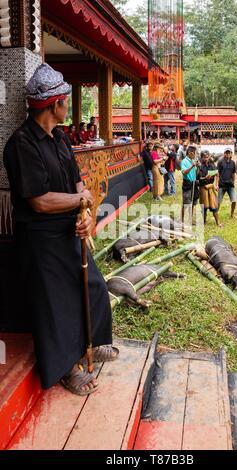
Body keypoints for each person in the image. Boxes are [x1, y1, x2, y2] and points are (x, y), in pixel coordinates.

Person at [3, 63, 118, 396]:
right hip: (40, 238)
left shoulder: (60, 139)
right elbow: (39, 201)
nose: (68, 106)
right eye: (66, 101)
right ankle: (67, 367)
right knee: (57, 303)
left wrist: (86, 215)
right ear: (54, 105)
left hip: (69, 230)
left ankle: (93, 343)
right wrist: (79, 200)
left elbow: (79, 184)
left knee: (94, 286)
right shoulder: (22, 144)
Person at [198, 151, 221, 226]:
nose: (206, 159)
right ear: (202, 158)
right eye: (204, 157)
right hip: (203, 187)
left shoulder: (212, 165)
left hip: (211, 187)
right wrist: (205, 177)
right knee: (204, 206)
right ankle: (203, 221)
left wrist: (216, 184)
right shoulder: (200, 166)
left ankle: (218, 222)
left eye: (207, 157)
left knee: (214, 205)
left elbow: (217, 174)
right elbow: (198, 178)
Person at [216, 148, 237, 218]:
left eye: (229, 153)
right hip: (222, 184)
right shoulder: (220, 162)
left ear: (231, 153)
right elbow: (218, 173)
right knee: (218, 201)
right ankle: (215, 214)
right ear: (224, 153)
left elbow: (234, 173)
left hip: (230, 185)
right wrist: (217, 184)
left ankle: (232, 214)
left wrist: (233, 182)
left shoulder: (233, 163)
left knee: (234, 200)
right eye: (226, 153)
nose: (227, 154)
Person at [181, 146, 199, 223]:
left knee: (193, 202)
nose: (195, 155)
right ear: (190, 152)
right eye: (194, 153)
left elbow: (195, 173)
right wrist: (192, 166)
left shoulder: (193, 161)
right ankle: (181, 220)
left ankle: (190, 219)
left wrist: (197, 167)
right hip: (187, 184)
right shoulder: (184, 161)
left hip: (194, 183)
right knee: (186, 203)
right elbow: (184, 172)